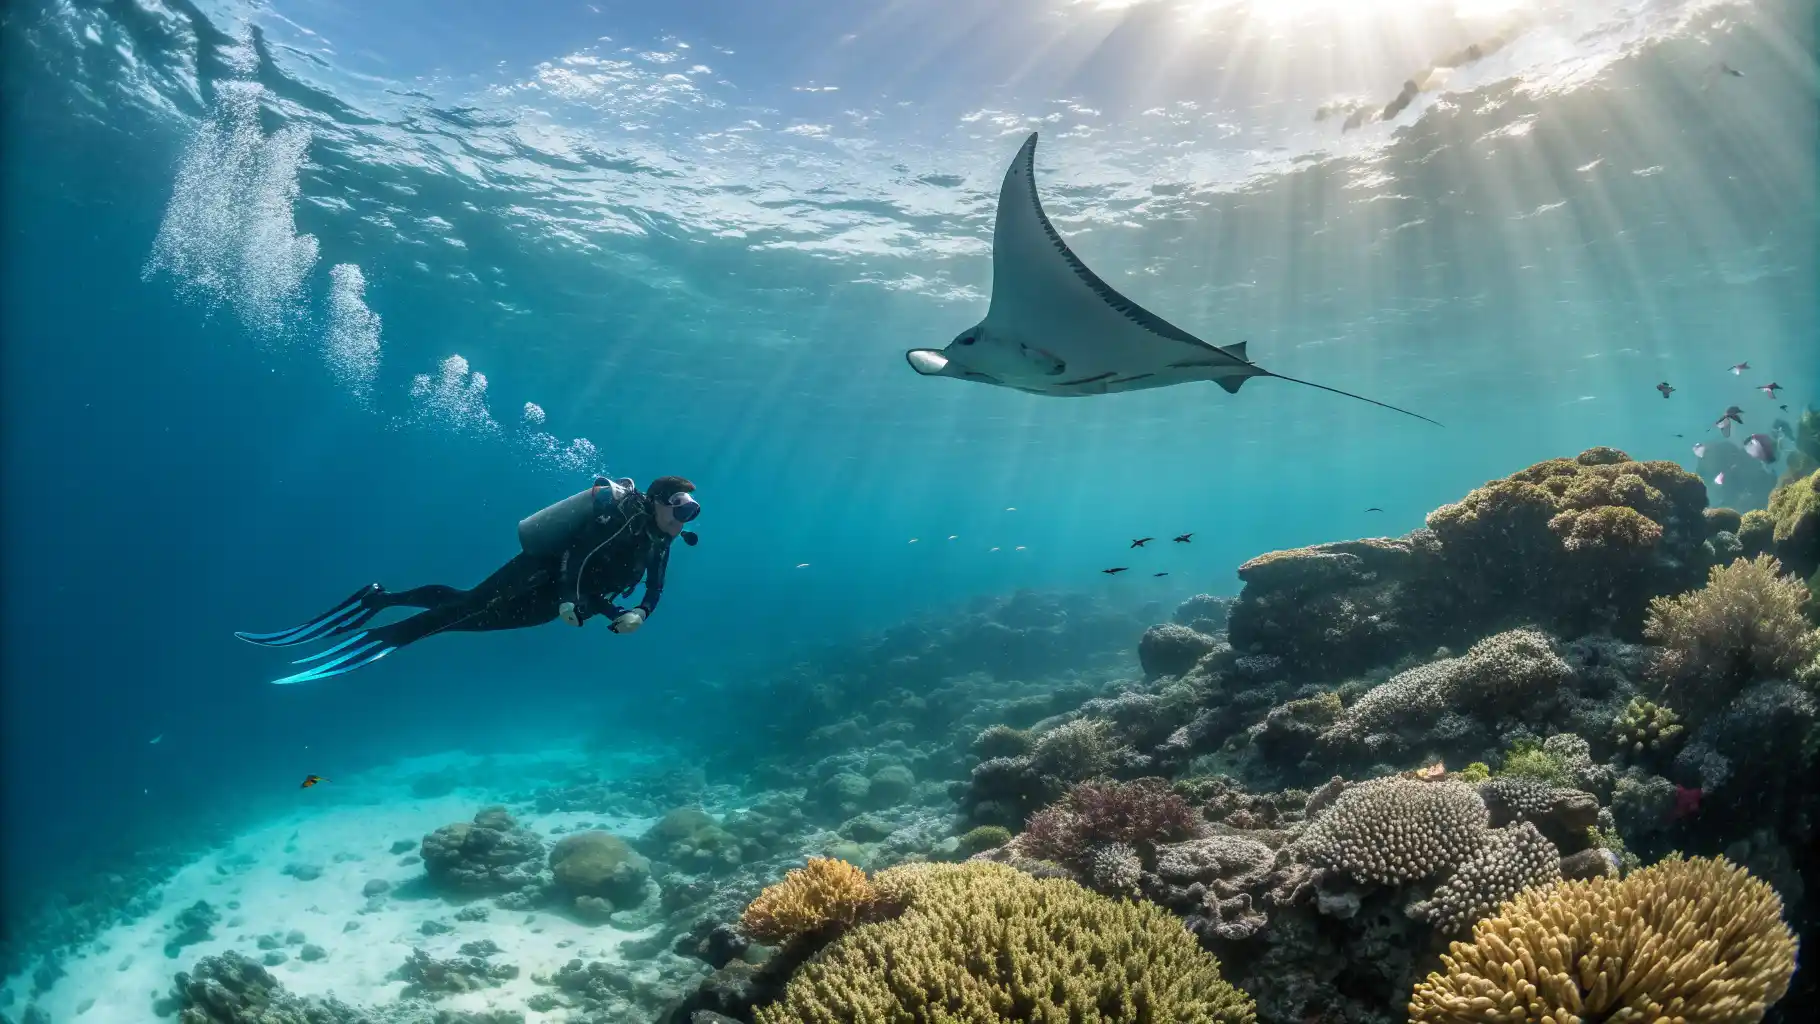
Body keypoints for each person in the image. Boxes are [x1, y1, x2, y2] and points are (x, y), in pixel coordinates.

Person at [236, 475, 700, 684]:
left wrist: (637, 613)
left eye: (691, 513)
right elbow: (577, 558)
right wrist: (567, 600)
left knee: (467, 613)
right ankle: (385, 637)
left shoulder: (660, 538)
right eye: (681, 509)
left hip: (567, 602)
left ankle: (381, 599)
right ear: (658, 502)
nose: (685, 520)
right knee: (466, 608)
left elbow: (654, 586)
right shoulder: (621, 522)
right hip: (541, 574)